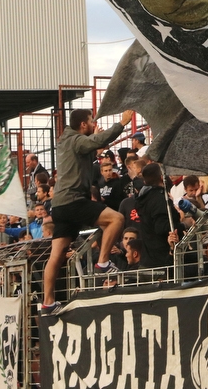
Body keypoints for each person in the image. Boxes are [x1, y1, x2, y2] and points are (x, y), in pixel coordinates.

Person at [40, 108, 133, 316]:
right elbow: (94, 142)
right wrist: (122, 124)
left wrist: (97, 141)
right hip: (74, 200)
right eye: (91, 121)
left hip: (59, 206)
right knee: (116, 219)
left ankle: (48, 302)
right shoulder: (77, 140)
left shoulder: (66, 141)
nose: (93, 124)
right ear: (83, 124)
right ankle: (103, 262)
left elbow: (92, 148)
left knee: (56, 254)